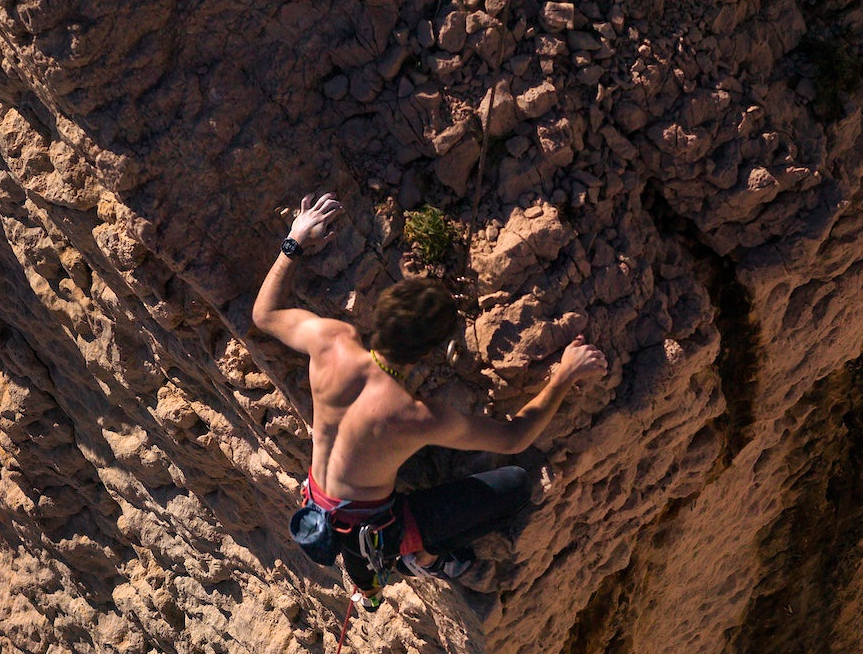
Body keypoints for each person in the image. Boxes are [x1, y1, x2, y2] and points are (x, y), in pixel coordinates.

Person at [252, 192, 608, 598]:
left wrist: (295, 240)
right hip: (378, 531)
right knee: (515, 487)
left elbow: (264, 315)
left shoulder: (332, 342)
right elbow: (514, 439)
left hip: (319, 510)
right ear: (429, 351)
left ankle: (371, 578)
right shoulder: (416, 415)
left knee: (363, 555)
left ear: (381, 317)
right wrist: (564, 375)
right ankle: (422, 558)